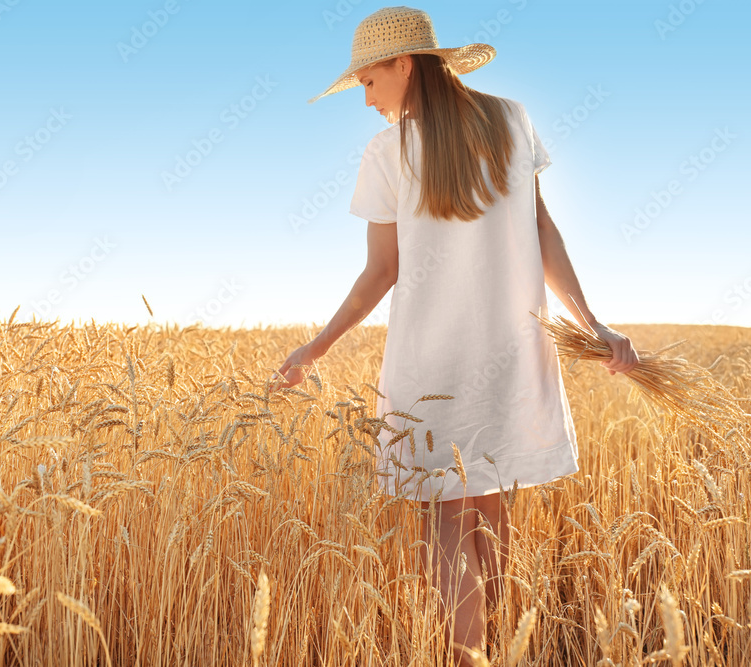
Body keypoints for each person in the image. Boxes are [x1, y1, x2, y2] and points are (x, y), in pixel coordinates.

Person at [269, 5, 640, 664]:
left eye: (367, 81)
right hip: (511, 361)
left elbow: (380, 273)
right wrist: (596, 325)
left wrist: (315, 345)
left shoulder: (388, 152)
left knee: (444, 526)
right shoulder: (511, 121)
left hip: (429, 372)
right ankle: (498, 652)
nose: (365, 97)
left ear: (402, 63)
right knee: (490, 517)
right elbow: (543, 234)